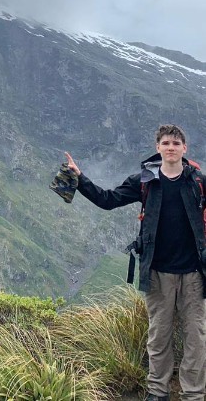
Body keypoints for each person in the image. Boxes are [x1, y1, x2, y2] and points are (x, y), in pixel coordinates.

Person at [65, 124, 206, 401]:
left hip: (193, 274)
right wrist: (80, 179)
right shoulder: (145, 181)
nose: (171, 148)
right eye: (166, 143)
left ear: (184, 148)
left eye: (176, 143)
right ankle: (157, 392)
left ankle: (193, 394)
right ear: (158, 147)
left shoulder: (198, 181)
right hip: (157, 273)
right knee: (159, 337)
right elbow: (108, 199)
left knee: (196, 339)